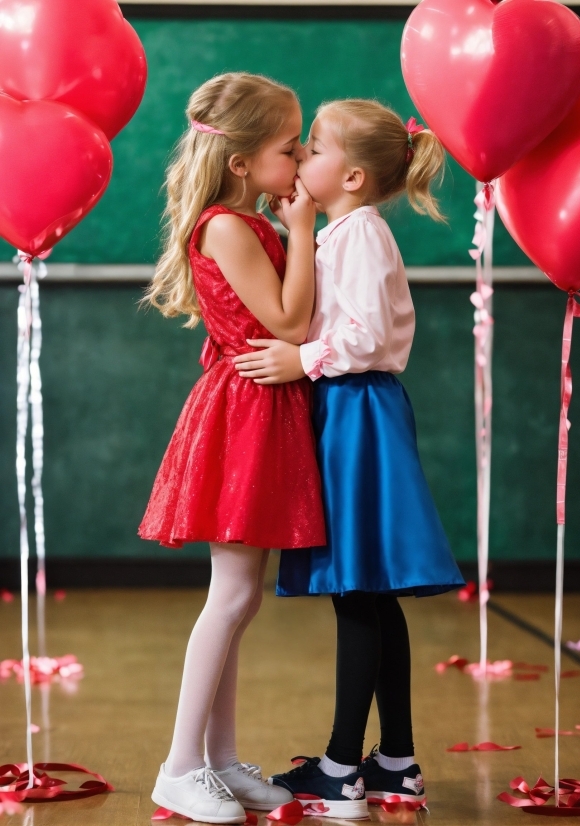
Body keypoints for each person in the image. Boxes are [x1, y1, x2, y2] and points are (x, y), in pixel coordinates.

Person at [234, 99, 465, 818]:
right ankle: (395, 758)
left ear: (355, 176)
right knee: (369, 591)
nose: (301, 158)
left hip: (357, 410)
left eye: (314, 149)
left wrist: (301, 358)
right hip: (351, 409)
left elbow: (361, 338)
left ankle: (341, 766)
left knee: (359, 590)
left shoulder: (361, 235)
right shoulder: (343, 230)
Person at [139, 72, 326, 823]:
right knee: (233, 594)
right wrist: (306, 231)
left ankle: (217, 759)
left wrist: (291, 232)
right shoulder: (225, 225)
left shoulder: (246, 222)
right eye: (292, 148)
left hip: (263, 409)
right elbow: (289, 324)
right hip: (242, 416)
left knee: (241, 599)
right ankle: (180, 765)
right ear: (244, 163)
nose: (305, 158)